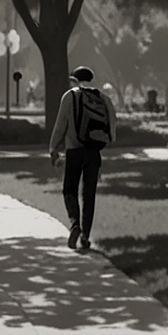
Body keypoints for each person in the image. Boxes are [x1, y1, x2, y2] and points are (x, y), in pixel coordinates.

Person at [48, 65, 116, 252]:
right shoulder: (103, 98)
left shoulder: (70, 96)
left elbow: (61, 124)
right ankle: (86, 237)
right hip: (93, 153)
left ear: (75, 79)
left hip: (74, 151)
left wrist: (53, 148)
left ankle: (75, 224)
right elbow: (112, 132)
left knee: (69, 190)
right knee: (89, 194)